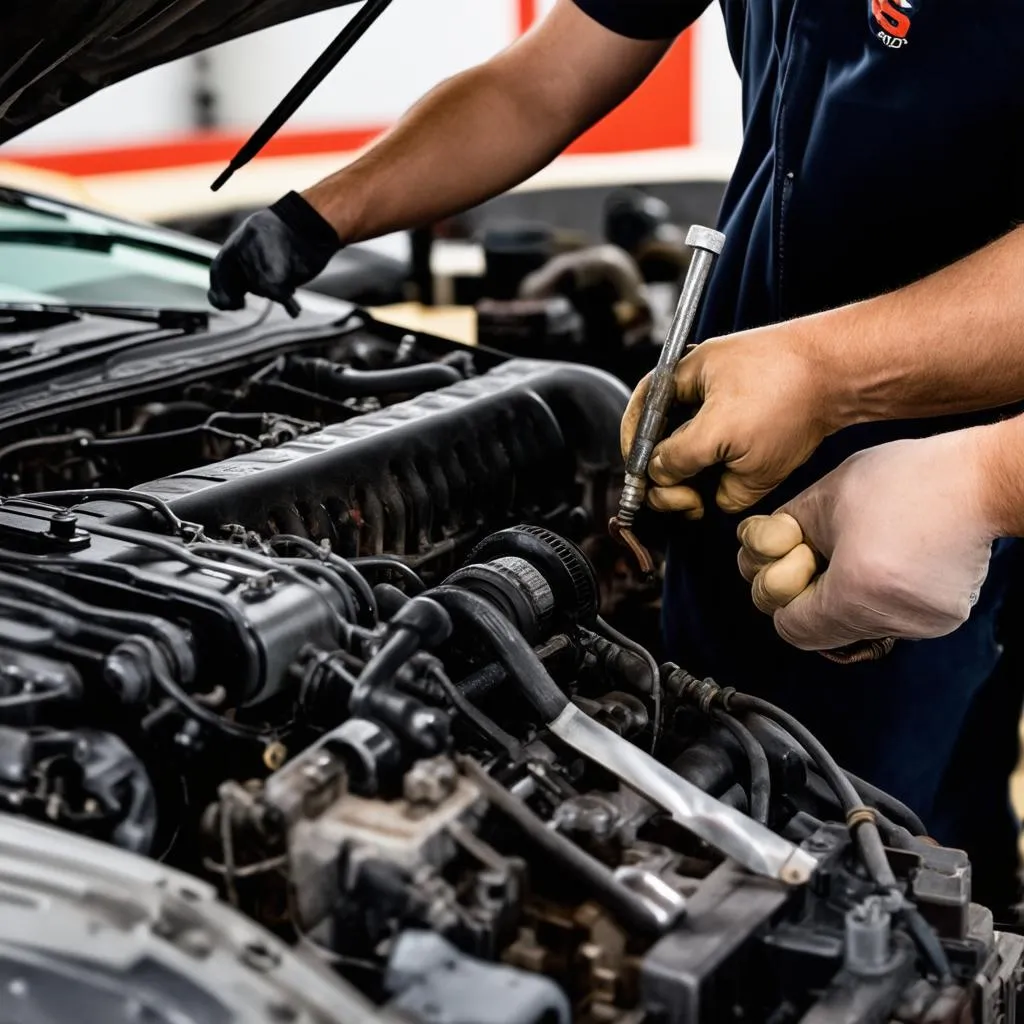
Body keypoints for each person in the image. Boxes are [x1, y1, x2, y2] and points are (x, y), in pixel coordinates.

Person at [208, 1, 1024, 908]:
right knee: (735, 788)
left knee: (882, 857)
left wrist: (837, 378)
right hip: (744, 426)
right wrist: (320, 216)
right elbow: (543, 79)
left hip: (939, 488)